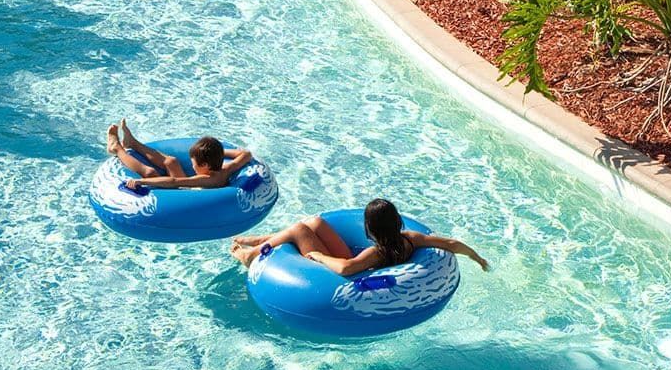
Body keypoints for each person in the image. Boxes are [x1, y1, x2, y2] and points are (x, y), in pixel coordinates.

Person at [230, 197, 489, 275]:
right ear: (397, 221)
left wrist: (319, 256)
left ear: (370, 228)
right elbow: (452, 244)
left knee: (300, 230)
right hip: (362, 262)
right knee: (316, 223)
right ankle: (263, 238)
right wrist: (477, 258)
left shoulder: (375, 253)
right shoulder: (411, 238)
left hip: (337, 273)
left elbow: (346, 268)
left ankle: (252, 255)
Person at [107, 118, 253, 190]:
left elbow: (174, 182)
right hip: (187, 189)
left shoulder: (204, 179)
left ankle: (117, 149)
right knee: (172, 162)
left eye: (194, 163)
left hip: (184, 195)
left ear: (205, 165)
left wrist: (142, 181)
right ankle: (133, 144)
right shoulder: (225, 170)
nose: (192, 166)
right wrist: (218, 153)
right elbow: (246, 154)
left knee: (150, 173)